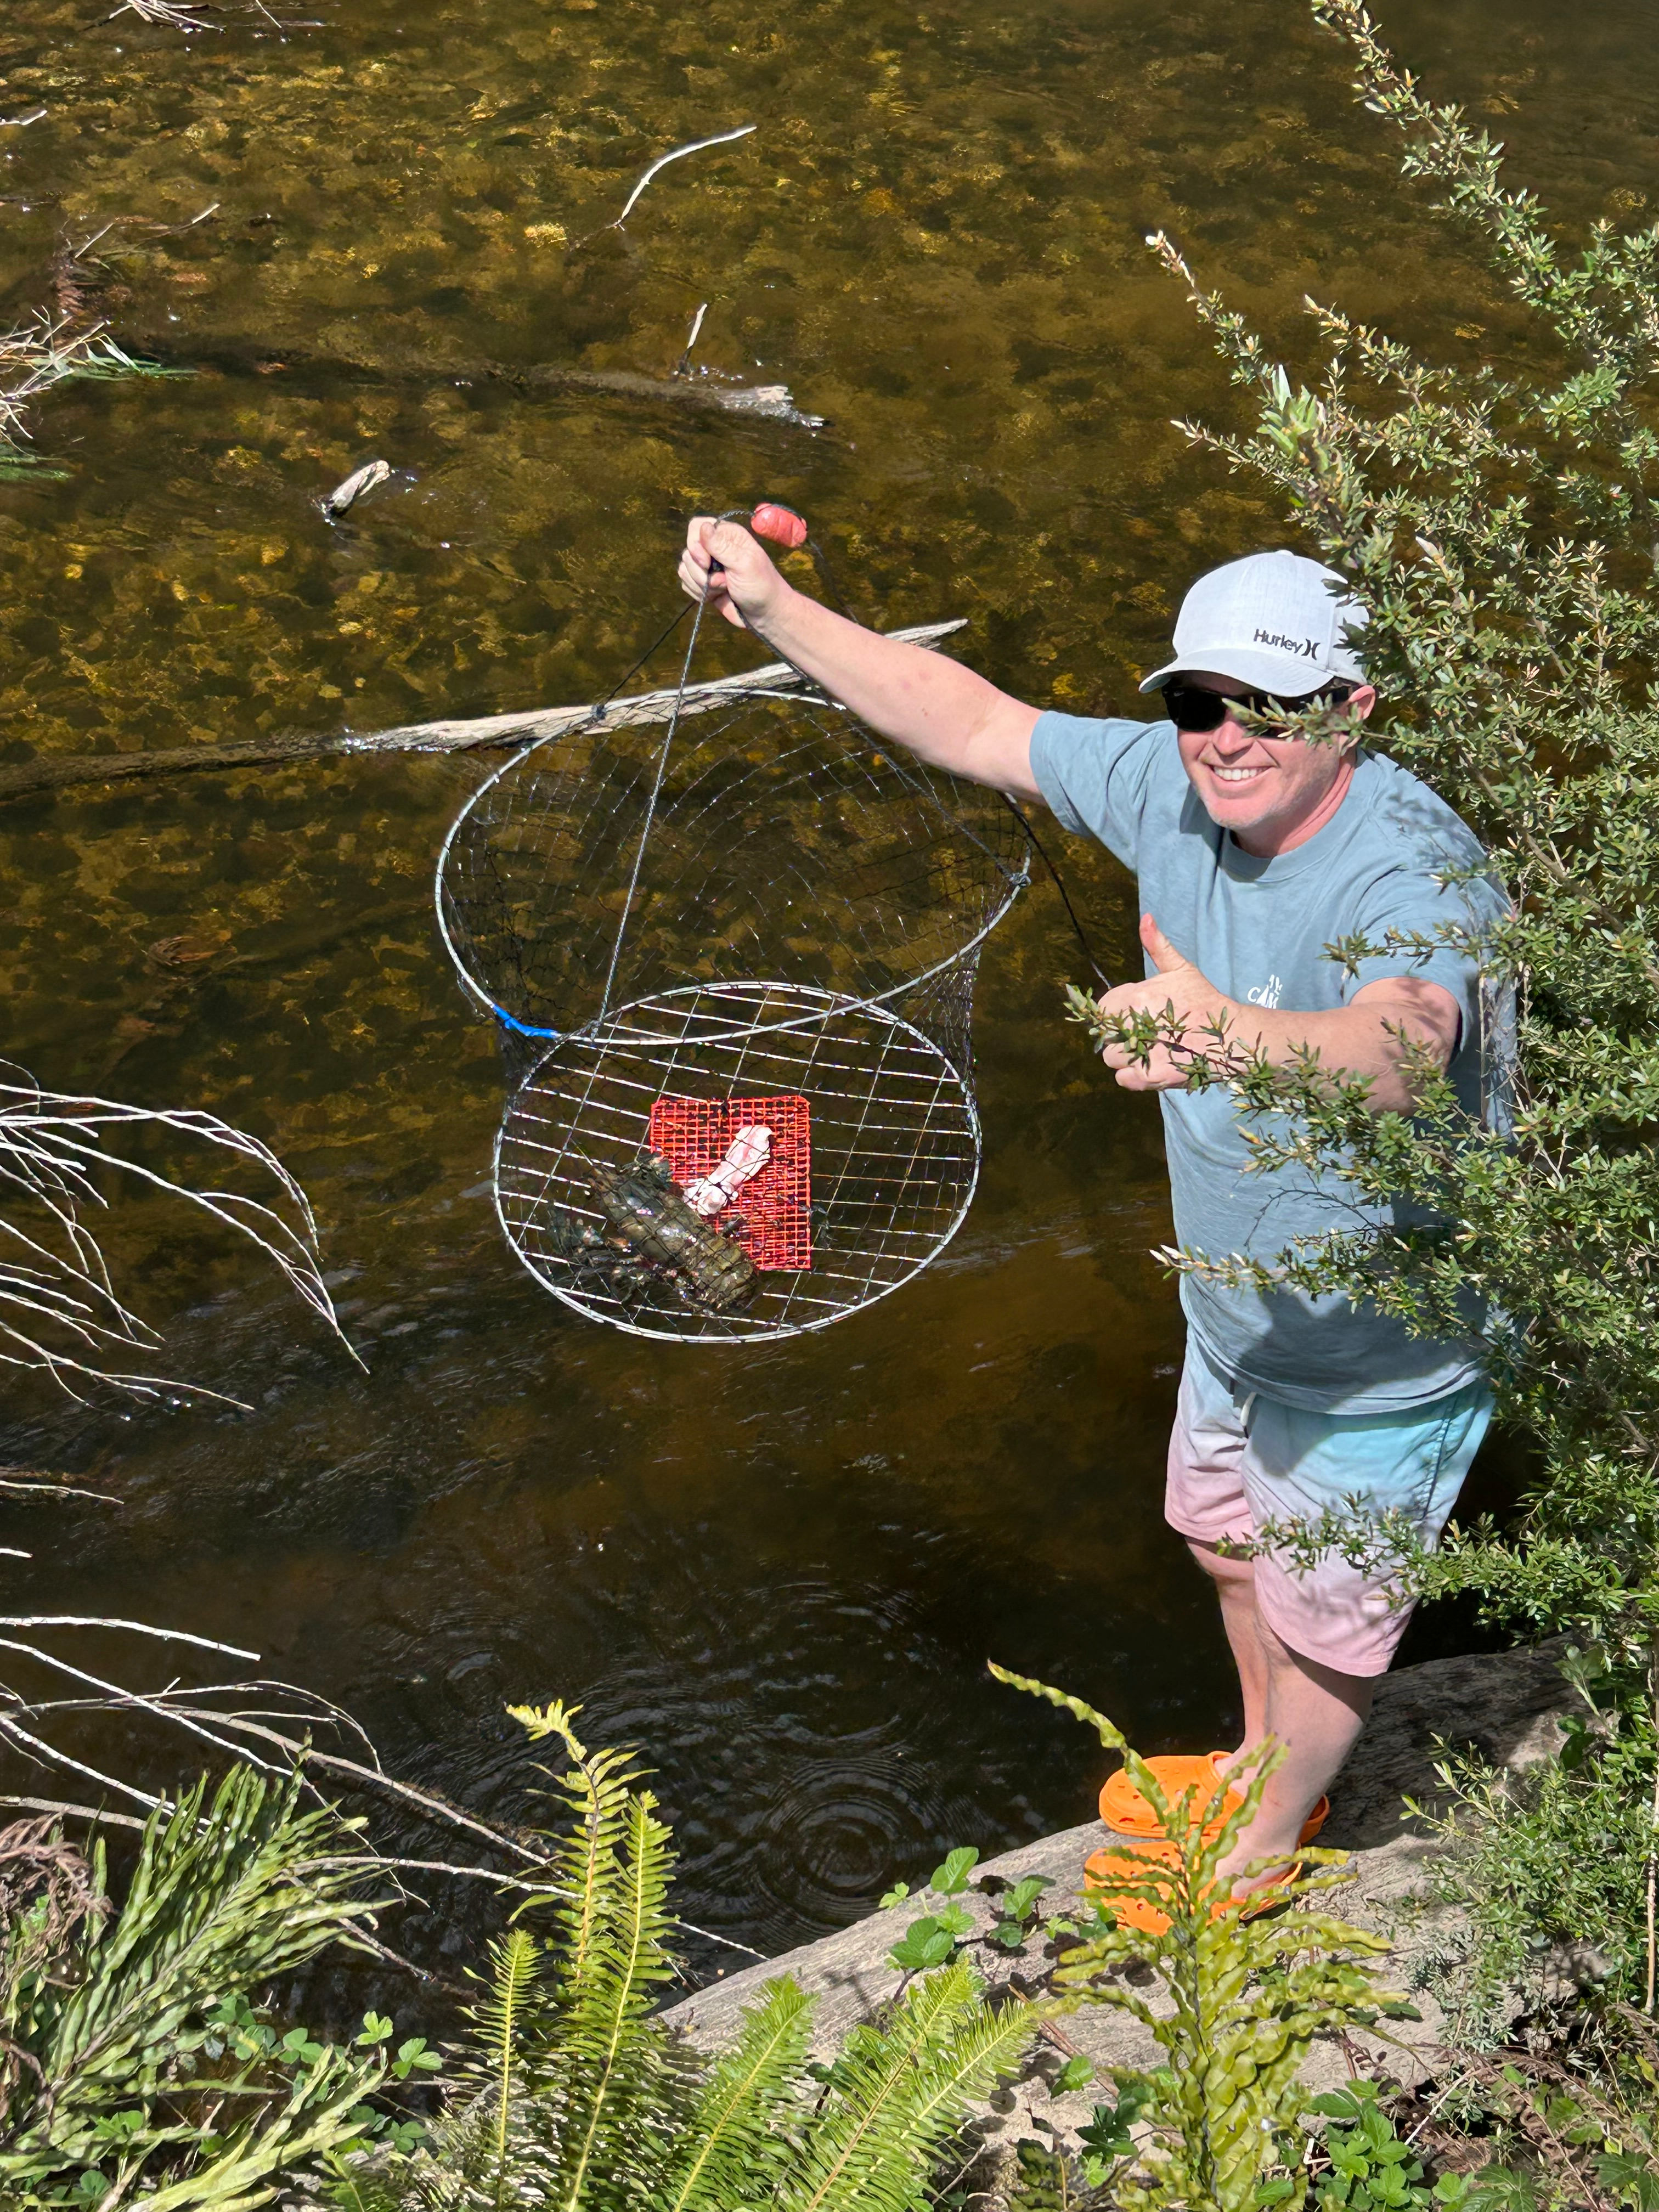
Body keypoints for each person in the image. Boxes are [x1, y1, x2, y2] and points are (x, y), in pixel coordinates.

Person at [678, 521, 1508, 1900]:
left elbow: (1405, 1045)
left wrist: (1230, 1032)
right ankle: (1259, 1762)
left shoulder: (1412, 868)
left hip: (1387, 1341)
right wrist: (774, 609)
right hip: (1238, 1298)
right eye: (1197, 702)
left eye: (1272, 707)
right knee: (1218, 1533)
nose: (1226, 738)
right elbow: (978, 721)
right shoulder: (1173, 787)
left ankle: (1260, 1848)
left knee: (1328, 1627)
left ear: (1353, 711)